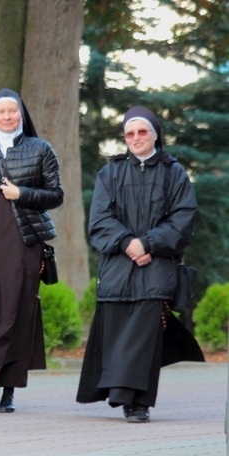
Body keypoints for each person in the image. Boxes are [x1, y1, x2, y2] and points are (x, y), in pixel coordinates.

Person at [76, 105, 201, 423]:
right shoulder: (111, 173)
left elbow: (184, 220)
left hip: (156, 268)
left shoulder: (174, 173)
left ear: (155, 135)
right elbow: (100, 219)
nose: (135, 138)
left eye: (142, 131)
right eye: (130, 133)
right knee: (118, 334)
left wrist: (148, 244)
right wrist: (129, 243)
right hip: (118, 268)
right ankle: (118, 395)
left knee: (145, 337)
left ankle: (138, 404)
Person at [0, 88, 63, 413]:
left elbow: (56, 195)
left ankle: (8, 391)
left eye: (12, 111)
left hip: (23, 245)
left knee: (16, 314)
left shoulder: (40, 149)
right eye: (0, 112)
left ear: (21, 115)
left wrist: (22, 193)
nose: (6, 117)